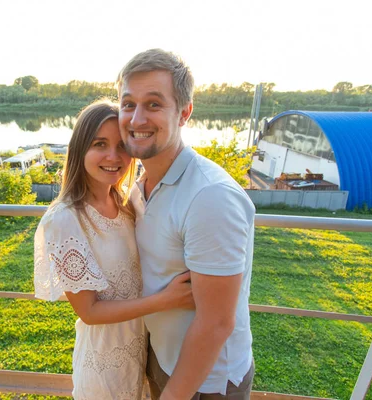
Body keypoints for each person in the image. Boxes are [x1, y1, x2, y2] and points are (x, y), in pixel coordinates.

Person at [117, 49, 256, 400]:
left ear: (185, 113)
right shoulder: (142, 185)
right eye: (128, 103)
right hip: (162, 357)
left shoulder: (210, 196)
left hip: (205, 382)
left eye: (153, 104)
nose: (136, 119)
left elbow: (216, 323)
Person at [34, 99, 194, 400]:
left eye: (122, 145)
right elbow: (90, 311)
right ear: (81, 148)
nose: (113, 156)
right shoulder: (65, 219)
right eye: (99, 144)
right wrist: (166, 300)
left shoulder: (125, 204)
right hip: (102, 367)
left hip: (139, 356)